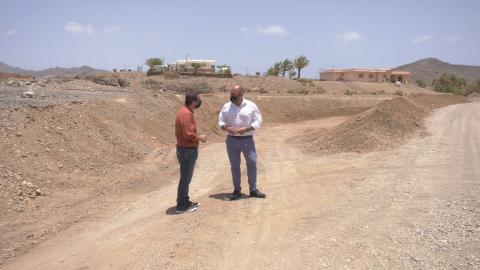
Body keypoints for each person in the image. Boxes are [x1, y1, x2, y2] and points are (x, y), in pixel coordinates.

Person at [218, 85, 266, 200]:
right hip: (232, 141)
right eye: (231, 94)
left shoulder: (251, 105)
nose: (232, 97)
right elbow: (220, 121)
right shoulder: (226, 106)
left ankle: (253, 190)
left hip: (247, 140)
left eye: (235, 95)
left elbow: (258, 119)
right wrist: (226, 128)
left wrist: (248, 129)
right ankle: (237, 190)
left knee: (252, 163)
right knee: (235, 166)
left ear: (242, 94)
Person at [175, 92, 207, 213]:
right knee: (185, 179)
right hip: (187, 150)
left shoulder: (184, 111)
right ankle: (181, 205)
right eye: (199, 100)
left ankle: (185, 201)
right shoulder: (186, 114)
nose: (200, 102)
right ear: (193, 102)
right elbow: (188, 134)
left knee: (186, 178)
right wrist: (200, 137)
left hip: (186, 150)